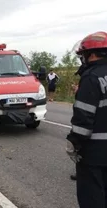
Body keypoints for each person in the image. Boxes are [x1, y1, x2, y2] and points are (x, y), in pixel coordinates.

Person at [65, 31, 107, 208]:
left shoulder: (91, 77)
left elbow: (83, 120)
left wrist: (74, 143)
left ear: (92, 54)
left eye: (83, 55)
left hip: (95, 154)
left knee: (92, 198)